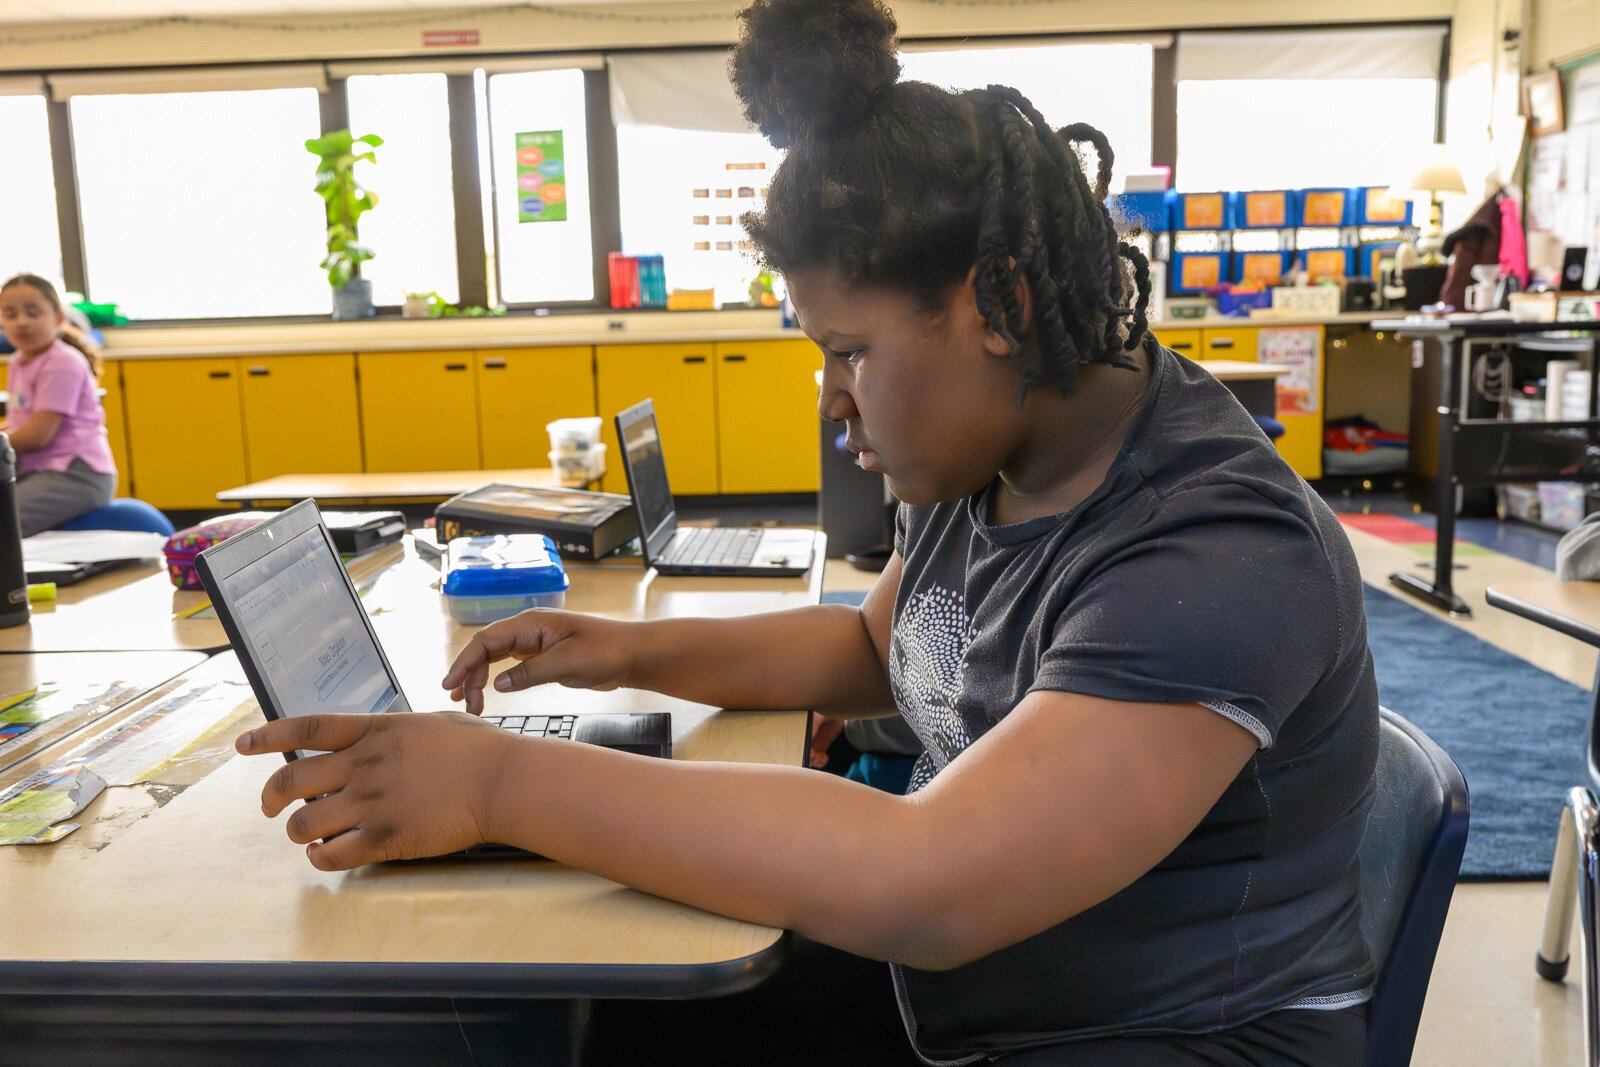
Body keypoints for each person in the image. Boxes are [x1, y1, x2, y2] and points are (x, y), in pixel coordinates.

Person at [234, 0, 1379, 1061]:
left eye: (849, 351)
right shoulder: (996, 458)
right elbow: (873, 646)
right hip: (992, 986)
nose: (832, 399)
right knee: (591, 1002)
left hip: (1144, 1033)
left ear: (1005, 308)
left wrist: (496, 783)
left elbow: (935, 884)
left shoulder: (1214, 549)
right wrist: (623, 649)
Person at [0, 273, 117, 537]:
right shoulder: (18, 361)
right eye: (10, 314)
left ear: (58, 318)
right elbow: (21, 422)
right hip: (39, 469)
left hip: (77, 475)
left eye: (33, 312)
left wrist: (2, 440)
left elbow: (38, 435)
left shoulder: (62, 362)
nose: (21, 322)